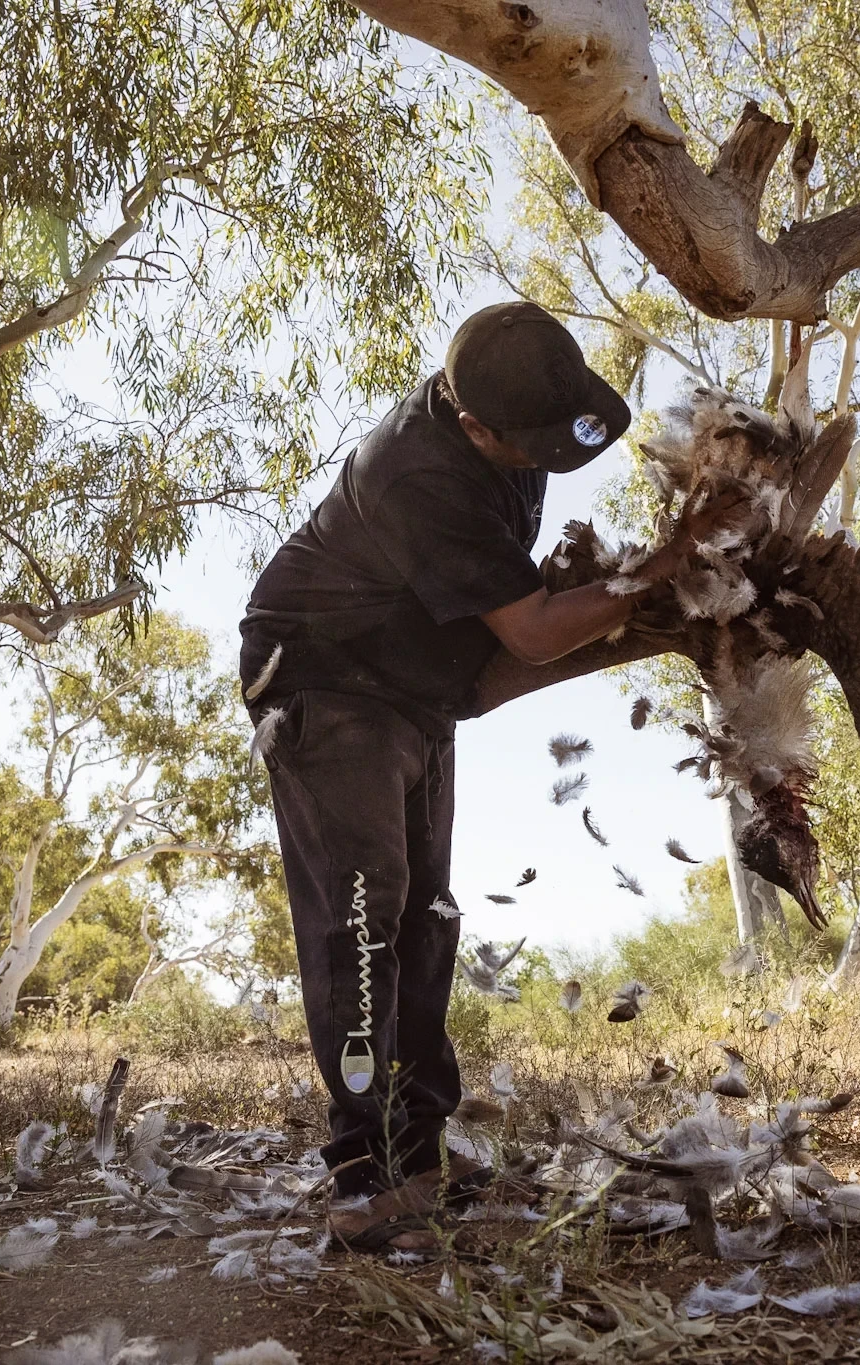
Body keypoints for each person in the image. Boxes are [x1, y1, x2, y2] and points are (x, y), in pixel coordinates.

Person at [238, 300, 726, 1252]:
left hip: (414, 680)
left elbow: (521, 599)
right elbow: (537, 629)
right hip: (326, 682)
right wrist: (666, 565)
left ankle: (418, 1151)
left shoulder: (515, 422)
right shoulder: (418, 471)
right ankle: (362, 1176)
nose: (552, 456)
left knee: (426, 915)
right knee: (365, 921)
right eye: (531, 444)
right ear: (474, 428)